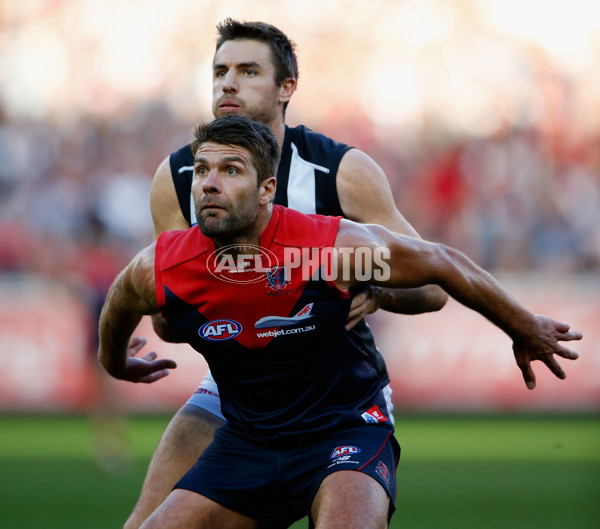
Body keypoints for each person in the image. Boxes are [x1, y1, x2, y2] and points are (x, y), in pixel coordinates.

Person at [98, 115, 581, 529]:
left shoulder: (330, 249)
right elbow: (120, 302)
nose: (208, 182)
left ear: (268, 189)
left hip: (344, 431)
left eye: (230, 169)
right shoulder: (162, 266)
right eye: (202, 169)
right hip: (248, 441)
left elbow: (439, 263)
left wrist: (523, 326)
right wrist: (115, 361)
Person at [124, 19, 448, 529]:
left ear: (287, 88)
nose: (227, 83)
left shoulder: (341, 170)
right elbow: (169, 319)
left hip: (336, 393)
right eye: (220, 71)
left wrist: (377, 289)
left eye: (248, 71)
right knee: (145, 520)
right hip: (239, 394)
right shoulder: (179, 177)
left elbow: (432, 288)